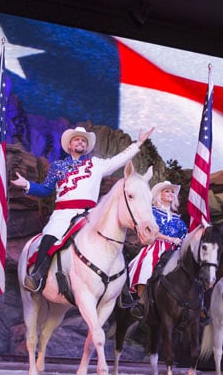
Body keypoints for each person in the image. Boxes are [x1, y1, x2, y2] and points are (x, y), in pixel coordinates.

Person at [11, 125, 155, 292]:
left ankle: (122, 290)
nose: (80, 142)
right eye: (77, 139)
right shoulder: (58, 167)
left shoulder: (96, 164)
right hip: (63, 213)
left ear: (86, 147)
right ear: (70, 145)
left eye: (83, 140)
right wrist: (27, 184)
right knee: (50, 235)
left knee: (113, 241)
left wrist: (139, 143)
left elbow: (119, 160)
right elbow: (45, 190)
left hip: (91, 215)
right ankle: (37, 275)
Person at [127, 180, 187, 319]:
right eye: (167, 191)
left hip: (174, 250)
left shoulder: (178, 219)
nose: (171, 194)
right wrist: (170, 239)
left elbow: (185, 235)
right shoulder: (152, 212)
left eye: (172, 192)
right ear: (160, 195)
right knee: (147, 266)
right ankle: (141, 303)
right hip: (156, 246)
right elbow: (151, 230)